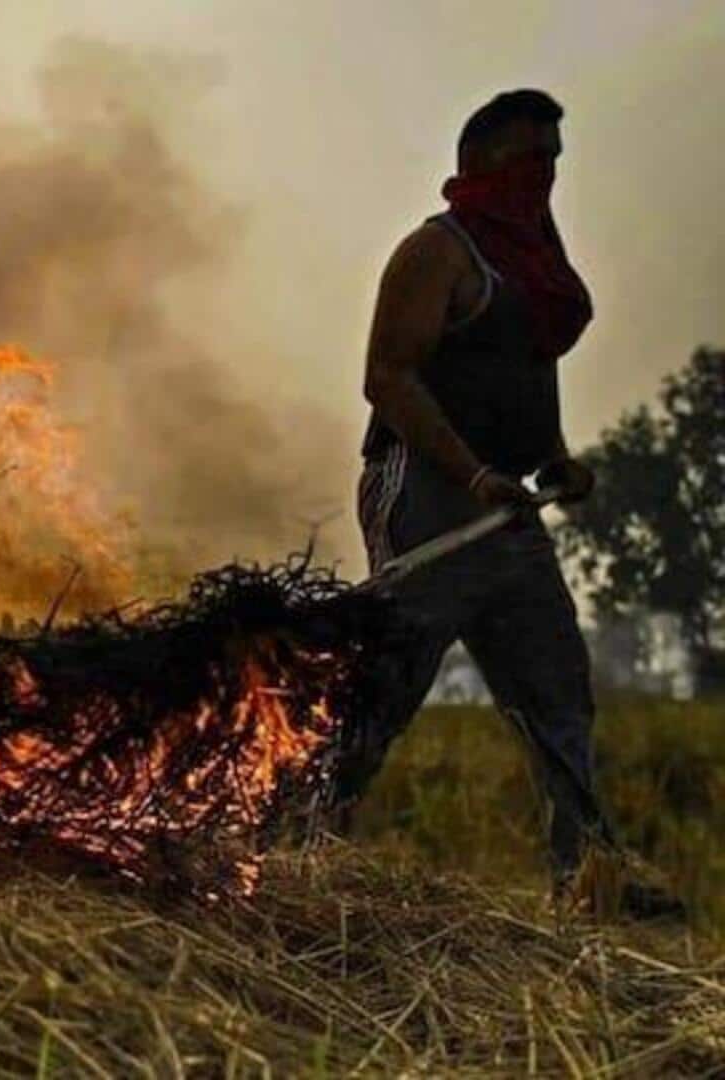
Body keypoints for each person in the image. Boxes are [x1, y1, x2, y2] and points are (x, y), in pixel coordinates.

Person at [341, 89, 678, 917]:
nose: (547, 175)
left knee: (557, 689)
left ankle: (589, 879)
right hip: (425, 495)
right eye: (533, 158)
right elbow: (387, 378)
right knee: (385, 687)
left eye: (556, 159)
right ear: (485, 163)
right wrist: (469, 474)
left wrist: (554, 459)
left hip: (508, 509)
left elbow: (531, 371)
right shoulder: (438, 252)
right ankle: (292, 850)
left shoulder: (534, 269)